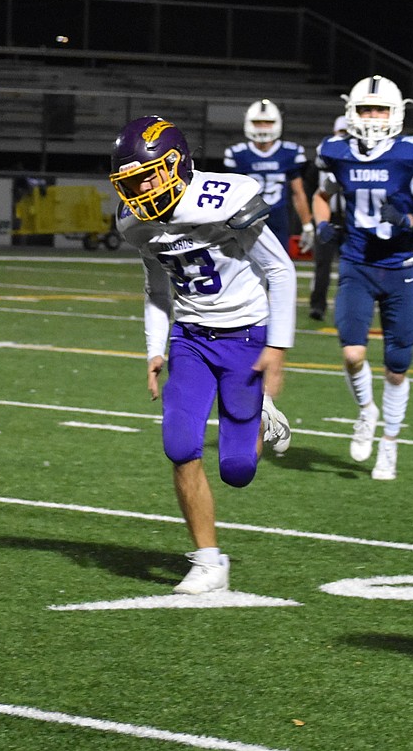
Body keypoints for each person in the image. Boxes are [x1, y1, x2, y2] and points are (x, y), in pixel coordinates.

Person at [110, 115, 297, 594]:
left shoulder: (222, 199)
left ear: (178, 164)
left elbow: (280, 270)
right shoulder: (135, 221)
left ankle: (258, 417)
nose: (140, 189)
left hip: (246, 336)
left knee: (238, 470)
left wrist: (277, 345)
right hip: (190, 338)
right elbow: (156, 287)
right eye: (131, 181)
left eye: (147, 175)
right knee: (179, 446)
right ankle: (209, 561)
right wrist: (155, 349)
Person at [312, 75, 413, 480]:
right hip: (356, 263)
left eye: (380, 110)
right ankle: (365, 411)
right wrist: (320, 225)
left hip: (398, 268)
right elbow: (322, 196)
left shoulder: (411, 155)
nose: (372, 117)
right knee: (352, 354)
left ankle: (389, 444)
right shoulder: (337, 152)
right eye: (366, 109)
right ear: (351, 112)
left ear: (396, 113)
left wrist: (406, 219)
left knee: (396, 367)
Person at [223, 98, 315, 252]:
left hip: (278, 217)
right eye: (258, 122)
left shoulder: (289, 152)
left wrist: (307, 225)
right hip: (247, 216)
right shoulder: (238, 154)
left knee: (280, 268)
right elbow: (230, 194)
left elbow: (298, 193)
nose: (263, 127)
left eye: (268, 122)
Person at [309, 115, 349, 321]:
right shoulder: (325, 151)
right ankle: (318, 305)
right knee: (322, 265)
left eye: (347, 132)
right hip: (328, 215)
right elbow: (313, 185)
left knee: (350, 266)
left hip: (350, 219)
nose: (344, 136)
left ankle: (346, 307)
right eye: (341, 131)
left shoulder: (357, 154)